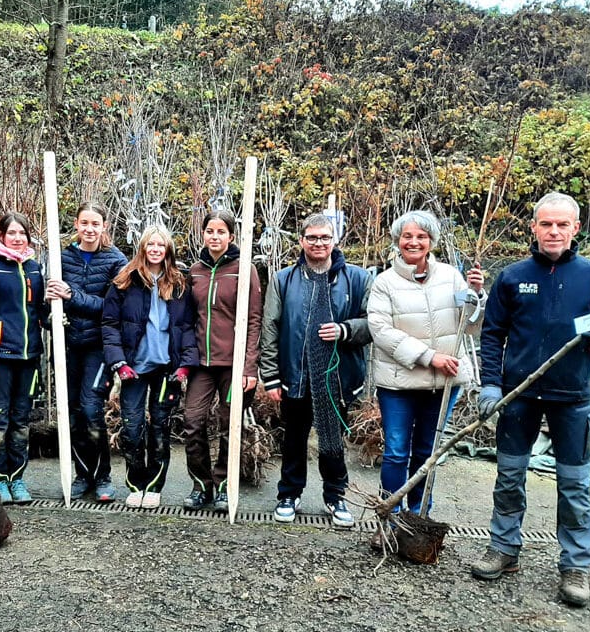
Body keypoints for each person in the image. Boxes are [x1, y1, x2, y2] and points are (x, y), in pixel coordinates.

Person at [470, 192, 590, 607]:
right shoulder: (512, 276)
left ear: (575, 228)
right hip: (519, 397)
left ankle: (575, 566)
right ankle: (504, 550)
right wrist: (491, 385)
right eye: (546, 224)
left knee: (574, 486)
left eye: (562, 224)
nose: (553, 231)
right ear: (534, 228)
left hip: (571, 397)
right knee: (508, 477)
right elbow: (492, 334)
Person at [367, 210, 484, 545]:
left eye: (421, 236)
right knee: (396, 452)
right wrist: (429, 357)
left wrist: (477, 295)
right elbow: (381, 331)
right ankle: (388, 519)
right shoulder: (384, 282)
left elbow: (472, 325)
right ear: (397, 242)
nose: (414, 242)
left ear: (431, 241)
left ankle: (417, 519)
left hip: (443, 385)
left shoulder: (451, 276)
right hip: (399, 384)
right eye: (407, 236)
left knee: (426, 453)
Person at [260, 213, 373, 527]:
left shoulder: (358, 279)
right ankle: (289, 494)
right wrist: (270, 376)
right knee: (293, 440)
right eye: (312, 237)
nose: (318, 243)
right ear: (301, 241)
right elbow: (270, 329)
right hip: (296, 377)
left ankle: (336, 497)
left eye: (324, 237)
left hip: (336, 378)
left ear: (334, 240)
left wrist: (345, 330)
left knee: (332, 441)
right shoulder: (284, 279)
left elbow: (374, 324)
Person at [101, 225, 199, 509]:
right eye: (150, 245)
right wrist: (118, 361)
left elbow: (187, 327)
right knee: (132, 428)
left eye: (161, 245)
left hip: (166, 369)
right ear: (142, 248)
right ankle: (136, 484)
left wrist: (185, 365)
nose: (155, 250)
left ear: (167, 249)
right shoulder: (125, 281)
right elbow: (109, 324)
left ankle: (154, 486)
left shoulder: (179, 284)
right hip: (134, 368)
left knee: (160, 429)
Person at [45, 203, 128, 502]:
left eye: (96, 223)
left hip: (97, 348)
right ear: (77, 225)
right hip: (66, 345)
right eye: (84, 223)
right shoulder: (61, 258)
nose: (89, 229)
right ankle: (82, 476)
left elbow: (113, 308)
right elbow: (48, 303)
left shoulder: (116, 261)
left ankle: (103, 476)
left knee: (92, 411)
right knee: (73, 414)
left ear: (104, 226)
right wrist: (50, 313)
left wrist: (73, 297)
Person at [182, 210, 262, 512]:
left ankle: (225, 485)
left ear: (231, 236)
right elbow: (189, 318)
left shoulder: (244, 270)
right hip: (202, 364)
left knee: (230, 425)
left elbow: (254, 321)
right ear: (203, 234)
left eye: (221, 232)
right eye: (209, 231)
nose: (214, 237)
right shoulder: (196, 271)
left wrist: (249, 366)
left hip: (233, 365)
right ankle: (201, 485)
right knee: (192, 422)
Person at [0, 212, 47, 506]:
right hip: (0, 358)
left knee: (21, 422)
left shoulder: (33, 268)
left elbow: (39, 311)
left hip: (29, 357)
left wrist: (55, 303)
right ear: (1, 234)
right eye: (12, 233)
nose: (18, 238)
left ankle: (17, 478)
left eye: (23, 233)